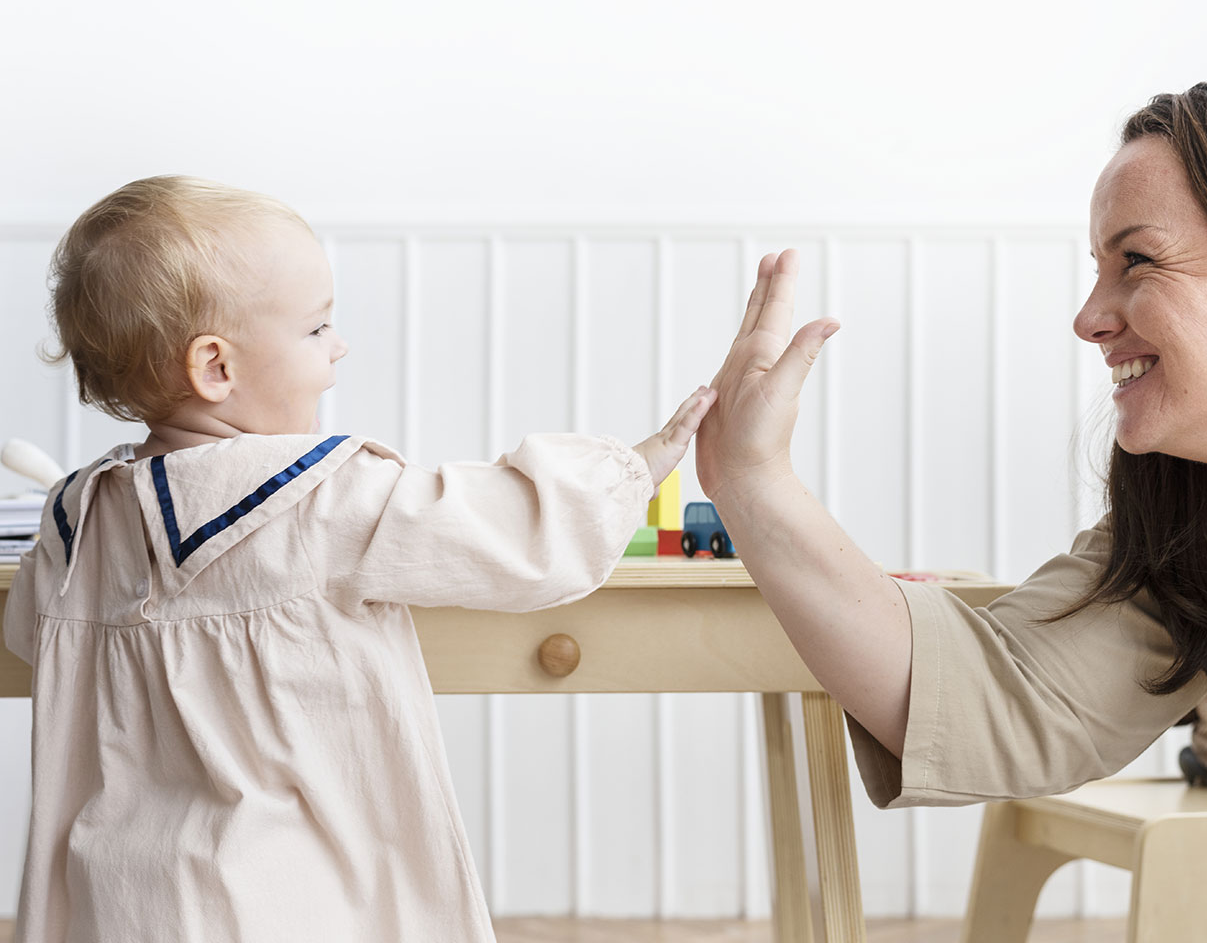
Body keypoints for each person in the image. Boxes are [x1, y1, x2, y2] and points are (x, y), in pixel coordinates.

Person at [696, 83, 1207, 942]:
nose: (1088, 319)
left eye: (1138, 262)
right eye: (1096, 270)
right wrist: (752, 480)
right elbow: (988, 701)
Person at [1, 176, 716, 943]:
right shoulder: (322, 498)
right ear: (216, 367)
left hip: (119, 896)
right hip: (277, 897)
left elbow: (25, 637)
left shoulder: (75, 520)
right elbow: (508, 530)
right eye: (316, 330)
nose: (338, 345)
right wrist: (634, 467)